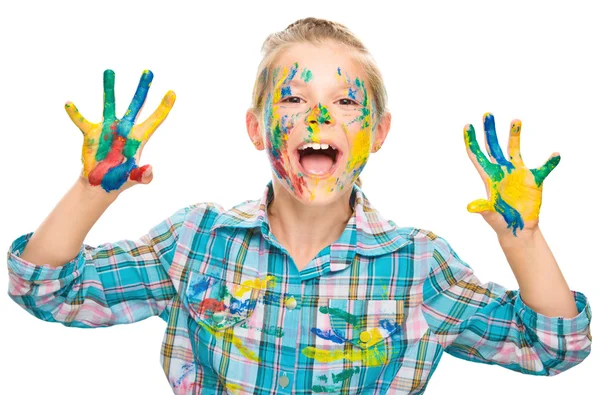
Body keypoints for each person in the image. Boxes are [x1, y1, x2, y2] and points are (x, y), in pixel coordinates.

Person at [6, 17, 592, 395]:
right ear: (257, 129)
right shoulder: (196, 241)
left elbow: (553, 347)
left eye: (343, 101)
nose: (317, 118)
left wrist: (523, 239)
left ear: (378, 132)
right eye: (292, 97)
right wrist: (92, 192)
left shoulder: (418, 266)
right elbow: (45, 289)